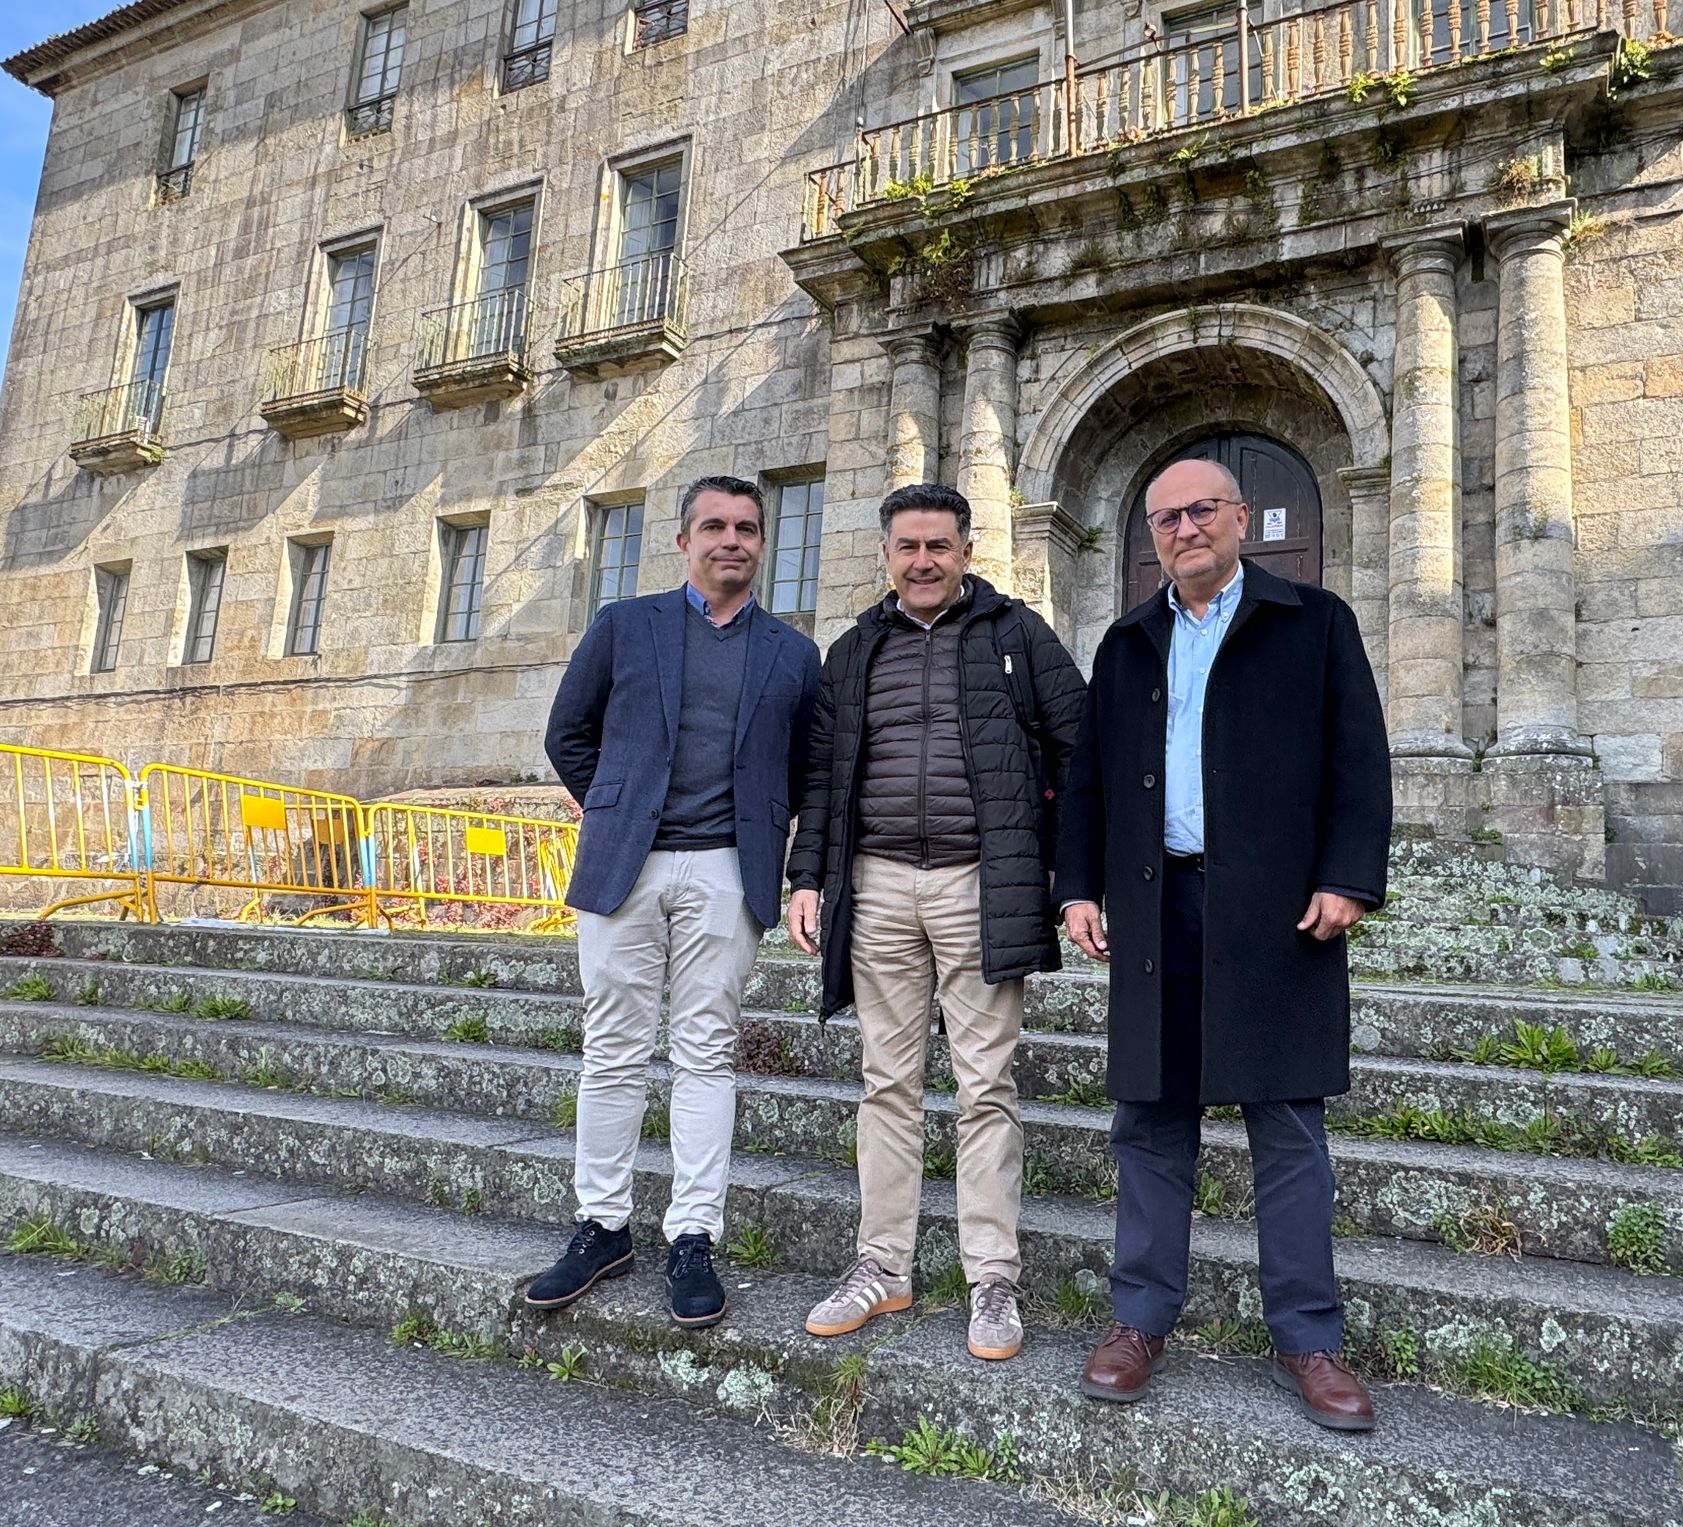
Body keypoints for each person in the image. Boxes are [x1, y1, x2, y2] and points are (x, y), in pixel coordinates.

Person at [1054, 456, 1392, 1430]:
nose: (1183, 527)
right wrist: (1076, 885)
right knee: (1149, 1125)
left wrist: (1346, 876)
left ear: (1240, 517)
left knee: (1286, 1129)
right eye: (1164, 516)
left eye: (1201, 508)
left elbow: (1357, 756)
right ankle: (1137, 1321)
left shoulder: (1314, 622)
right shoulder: (1125, 642)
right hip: (1156, 911)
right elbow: (1086, 780)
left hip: (1278, 911)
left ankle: (1307, 1340)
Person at [786, 481, 1085, 1362]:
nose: (923, 561)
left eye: (939, 547)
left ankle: (992, 1278)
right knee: (888, 1082)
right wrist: (808, 876)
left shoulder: (1017, 637)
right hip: (875, 885)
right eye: (908, 546)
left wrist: (1074, 875)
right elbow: (821, 778)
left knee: (985, 1084)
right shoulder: (852, 652)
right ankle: (882, 1265)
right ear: (887, 554)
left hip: (979, 885)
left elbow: (1078, 744)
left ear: (966, 551)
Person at [530, 474, 819, 1329]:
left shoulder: (793, 653)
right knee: (612, 1047)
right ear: (684, 541)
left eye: (748, 528)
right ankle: (602, 1225)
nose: (732, 540)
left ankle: (692, 1233)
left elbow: (807, 769)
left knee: (705, 1054)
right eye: (715, 527)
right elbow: (566, 733)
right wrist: (613, 803)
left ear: (762, 544)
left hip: (729, 870)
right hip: (628, 865)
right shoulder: (624, 627)